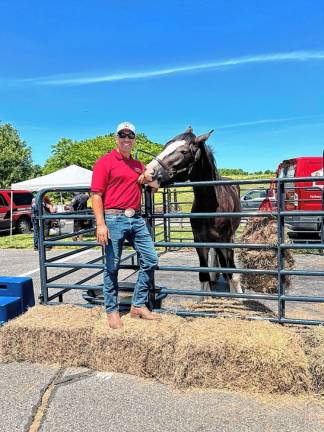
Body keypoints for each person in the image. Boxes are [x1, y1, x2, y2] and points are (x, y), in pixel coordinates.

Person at [91, 121, 160, 329]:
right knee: (112, 266)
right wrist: (100, 224)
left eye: (130, 136)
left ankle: (137, 305)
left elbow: (155, 187)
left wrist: (148, 178)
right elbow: (96, 195)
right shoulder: (104, 162)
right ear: (116, 138)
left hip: (136, 219)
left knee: (150, 259)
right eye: (123, 135)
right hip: (113, 219)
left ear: (134, 140)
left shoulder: (139, 165)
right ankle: (111, 310)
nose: (127, 139)